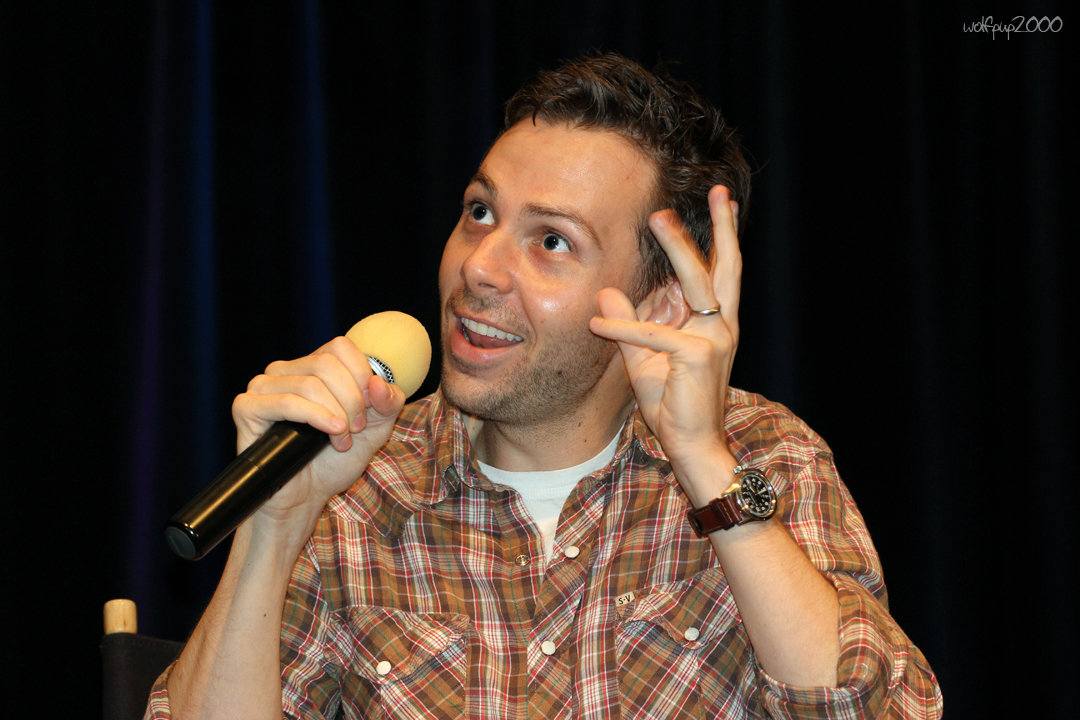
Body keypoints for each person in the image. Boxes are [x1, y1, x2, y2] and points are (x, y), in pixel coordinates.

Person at [148, 53, 942, 719]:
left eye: (552, 241)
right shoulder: (357, 481)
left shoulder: (762, 456)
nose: (480, 268)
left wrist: (703, 461)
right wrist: (275, 525)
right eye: (480, 212)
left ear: (658, 306)